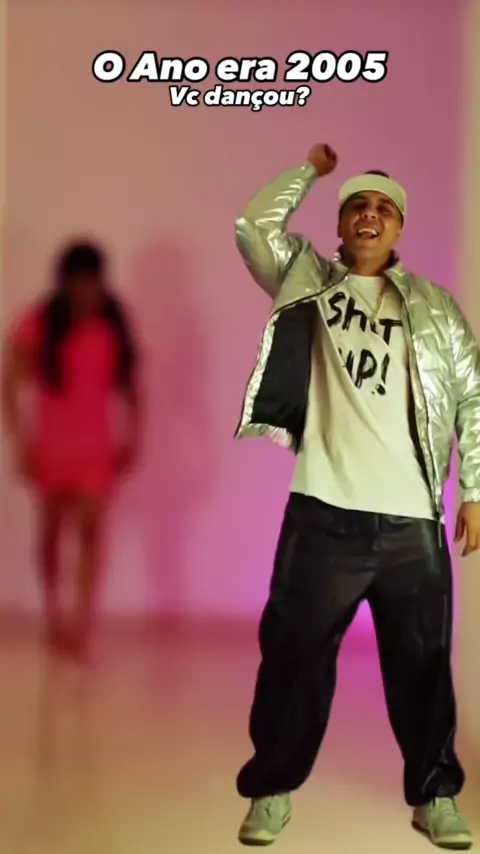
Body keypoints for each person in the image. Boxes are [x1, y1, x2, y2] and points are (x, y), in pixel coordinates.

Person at [233, 144, 479, 849]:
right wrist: (309, 174)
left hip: (412, 524)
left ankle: (434, 795)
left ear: (399, 226)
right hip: (323, 512)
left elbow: (472, 396)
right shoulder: (307, 276)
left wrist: (474, 490)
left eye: (384, 209)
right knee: (293, 658)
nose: (370, 215)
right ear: (341, 223)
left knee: (423, 669)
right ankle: (273, 789)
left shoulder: (435, 306)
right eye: (358, 206)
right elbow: (253, 227)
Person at [2, 241, 142, 659]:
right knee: (50, 533)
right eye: (78, 282)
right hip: (51, 443)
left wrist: (133, 437)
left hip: (95, 446)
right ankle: (53, 615)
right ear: (64, 283)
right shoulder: (40, 322)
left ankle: (82, 622)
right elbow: (10, 382)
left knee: (92, 531)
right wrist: (20, 441)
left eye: (92, 282)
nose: (86, 291)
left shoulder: (114, 322)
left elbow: (131, 388)